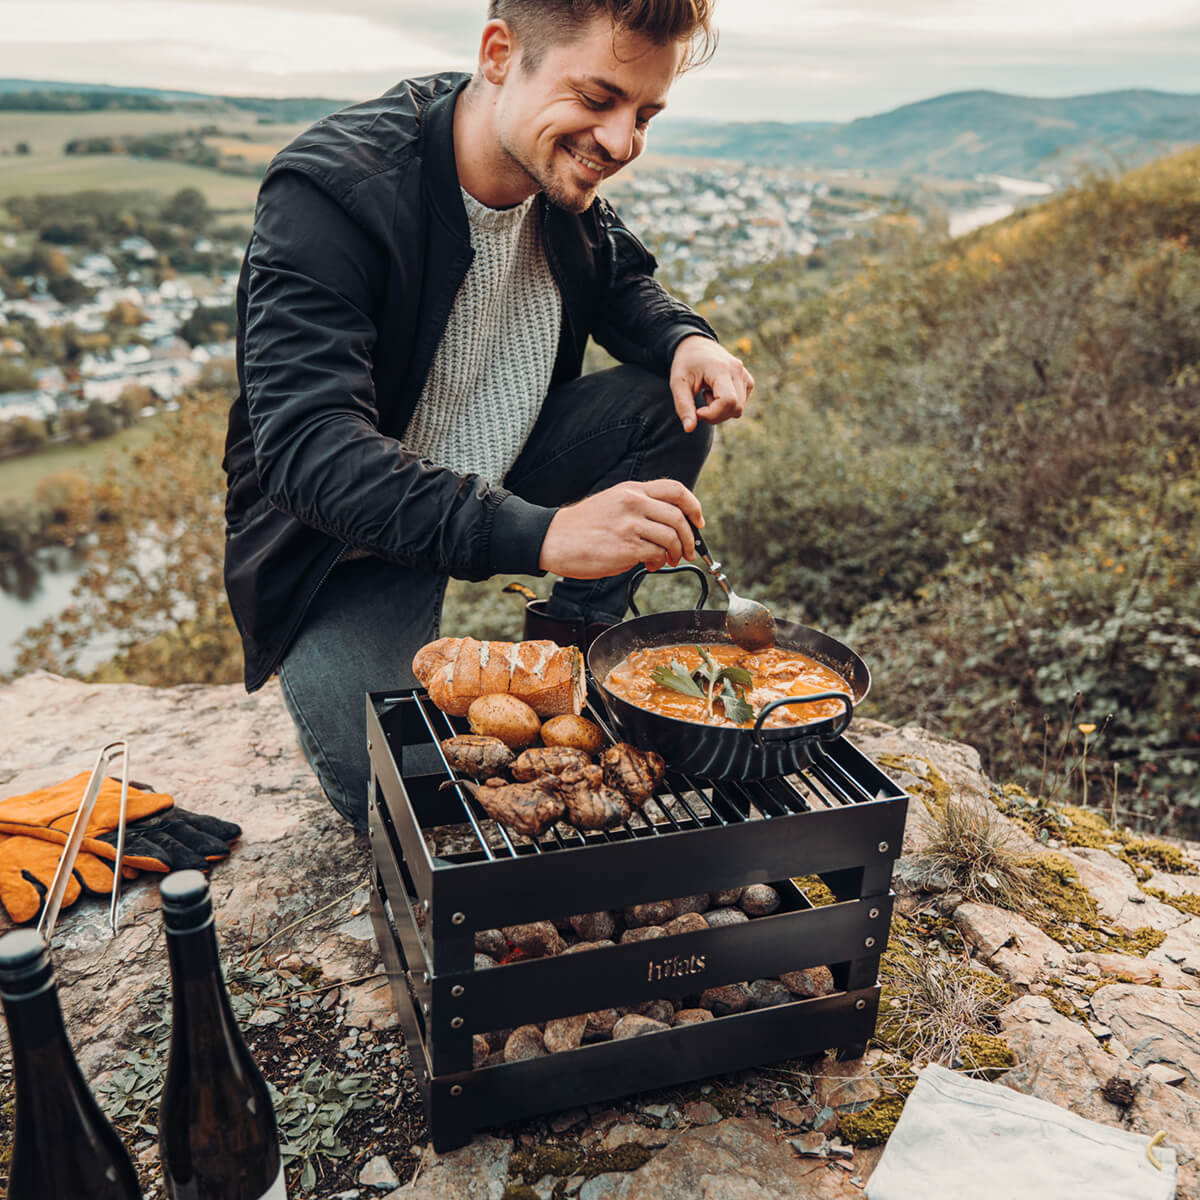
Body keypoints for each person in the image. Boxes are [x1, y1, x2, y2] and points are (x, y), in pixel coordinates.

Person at [222, 0, 754, 830]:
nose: (621, 142)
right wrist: (545, 534)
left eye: (645, 114)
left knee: (668, 404)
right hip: (344, 538)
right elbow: (309, 452)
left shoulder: (548, 161)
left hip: (501, 457)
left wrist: (685, 339)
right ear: (500, 55)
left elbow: (620, 279)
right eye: (598, 98)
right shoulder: (332, 190)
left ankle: (577, 648)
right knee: (404, 796)